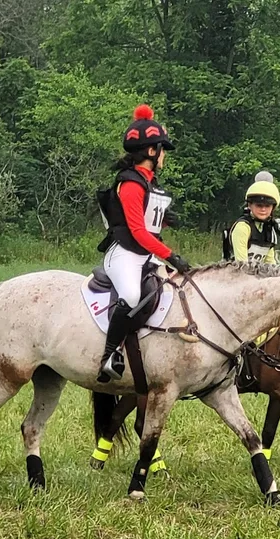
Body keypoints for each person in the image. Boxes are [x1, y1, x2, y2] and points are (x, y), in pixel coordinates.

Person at [96, 104, 190, 383]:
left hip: (146, 255)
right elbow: (137, 231)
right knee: (132, 297)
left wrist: (166, 220)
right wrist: (170, 255)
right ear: (151, 152)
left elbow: (150, 223)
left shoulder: (150, 183)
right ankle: (109, 355)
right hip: (124, 254)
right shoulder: (131, 184)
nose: (164, 156)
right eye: (162, 150)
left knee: (181, 290)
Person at [228, 171, 280, 265]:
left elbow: (270, 263)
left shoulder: (269, 229)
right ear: (250, 205)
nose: (263, 209)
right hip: (233, 275)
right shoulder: (242, 227)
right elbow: (241, 266)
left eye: (267, 206)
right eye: (259, 205)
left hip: (256, 277)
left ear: (273, 208)